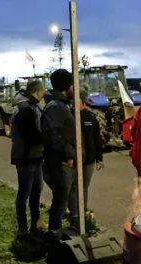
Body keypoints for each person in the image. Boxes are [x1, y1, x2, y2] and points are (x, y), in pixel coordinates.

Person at [41, 68, 82, 231]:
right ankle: (54, 234)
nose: (74, 88)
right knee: (60, 201)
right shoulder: (55, 106)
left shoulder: (62, 104)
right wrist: (68, 153)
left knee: (63, 198)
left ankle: (62, 230)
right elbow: (53, 134)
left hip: (64, 160)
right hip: (59, 161)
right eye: (72, 84)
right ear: (66, 87)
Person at [10, 79, 47, 238]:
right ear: (38, 92)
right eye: (43, 91)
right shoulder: (25, 108)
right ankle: (23, 228)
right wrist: (47, 139)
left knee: (37, 188)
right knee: (25, 191)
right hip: (26, 157)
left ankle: (36, 222)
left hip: (34, 156)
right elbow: (30, 135)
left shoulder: (31, 106)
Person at [67, 86, 105, 222]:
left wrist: (99, 158)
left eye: (75, 99)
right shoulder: (68, 116)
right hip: (72, 160)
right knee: (73, 187)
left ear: (82, 100)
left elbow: (97, 139)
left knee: (84, 187)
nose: (72, 101)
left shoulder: (91, 117)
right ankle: (74, 213)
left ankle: (82, 211)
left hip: (88, 160)